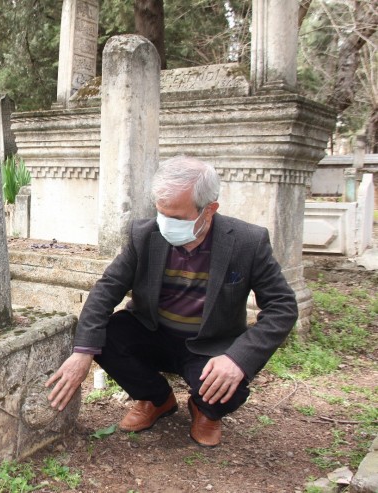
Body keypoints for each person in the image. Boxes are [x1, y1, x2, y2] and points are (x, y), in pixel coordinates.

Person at [45, 155, 298, 447]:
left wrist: (238, 359)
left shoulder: (247, 242)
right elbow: (107, 288)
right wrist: (82, 353)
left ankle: (204, 410)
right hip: (154, 334)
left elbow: (282, 307)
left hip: (207, 346)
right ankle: (157, 399)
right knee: (106, 337)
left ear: (210, 210)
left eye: (177, 218)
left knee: (231, 387)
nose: (166, 224)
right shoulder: (145, 234)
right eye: (161, 213)